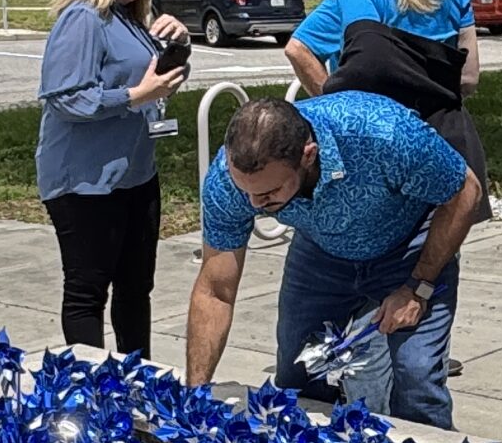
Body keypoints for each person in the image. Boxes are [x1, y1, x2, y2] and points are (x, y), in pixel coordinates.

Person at [185, 92, 483, 422]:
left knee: (416, 379)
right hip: (320, 253)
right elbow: (215, 291)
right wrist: (194, 397)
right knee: (298, 374)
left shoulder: (382, 134)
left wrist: (419, 286)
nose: (255, 204)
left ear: (308, 155)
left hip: (410, 248)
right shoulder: (228, 180)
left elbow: (465, 191)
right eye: (247, 192)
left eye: (269, 193)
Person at [284, 0, 489, 221]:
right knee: (437, 255)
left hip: (379, 145)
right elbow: (469, 77)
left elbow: (313, 51)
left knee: (373, 257)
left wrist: (333, 107)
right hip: (447, 139)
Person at [36, 0, 190, 354]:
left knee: (135, 290)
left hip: (136, 175)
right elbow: (66, 98)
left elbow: (158, 79)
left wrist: (179, 45)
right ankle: (93, 392)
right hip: (85, 182)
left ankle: (135, 383)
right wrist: (135, 96)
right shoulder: (83, 18)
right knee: (88, 292)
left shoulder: (135, 18)